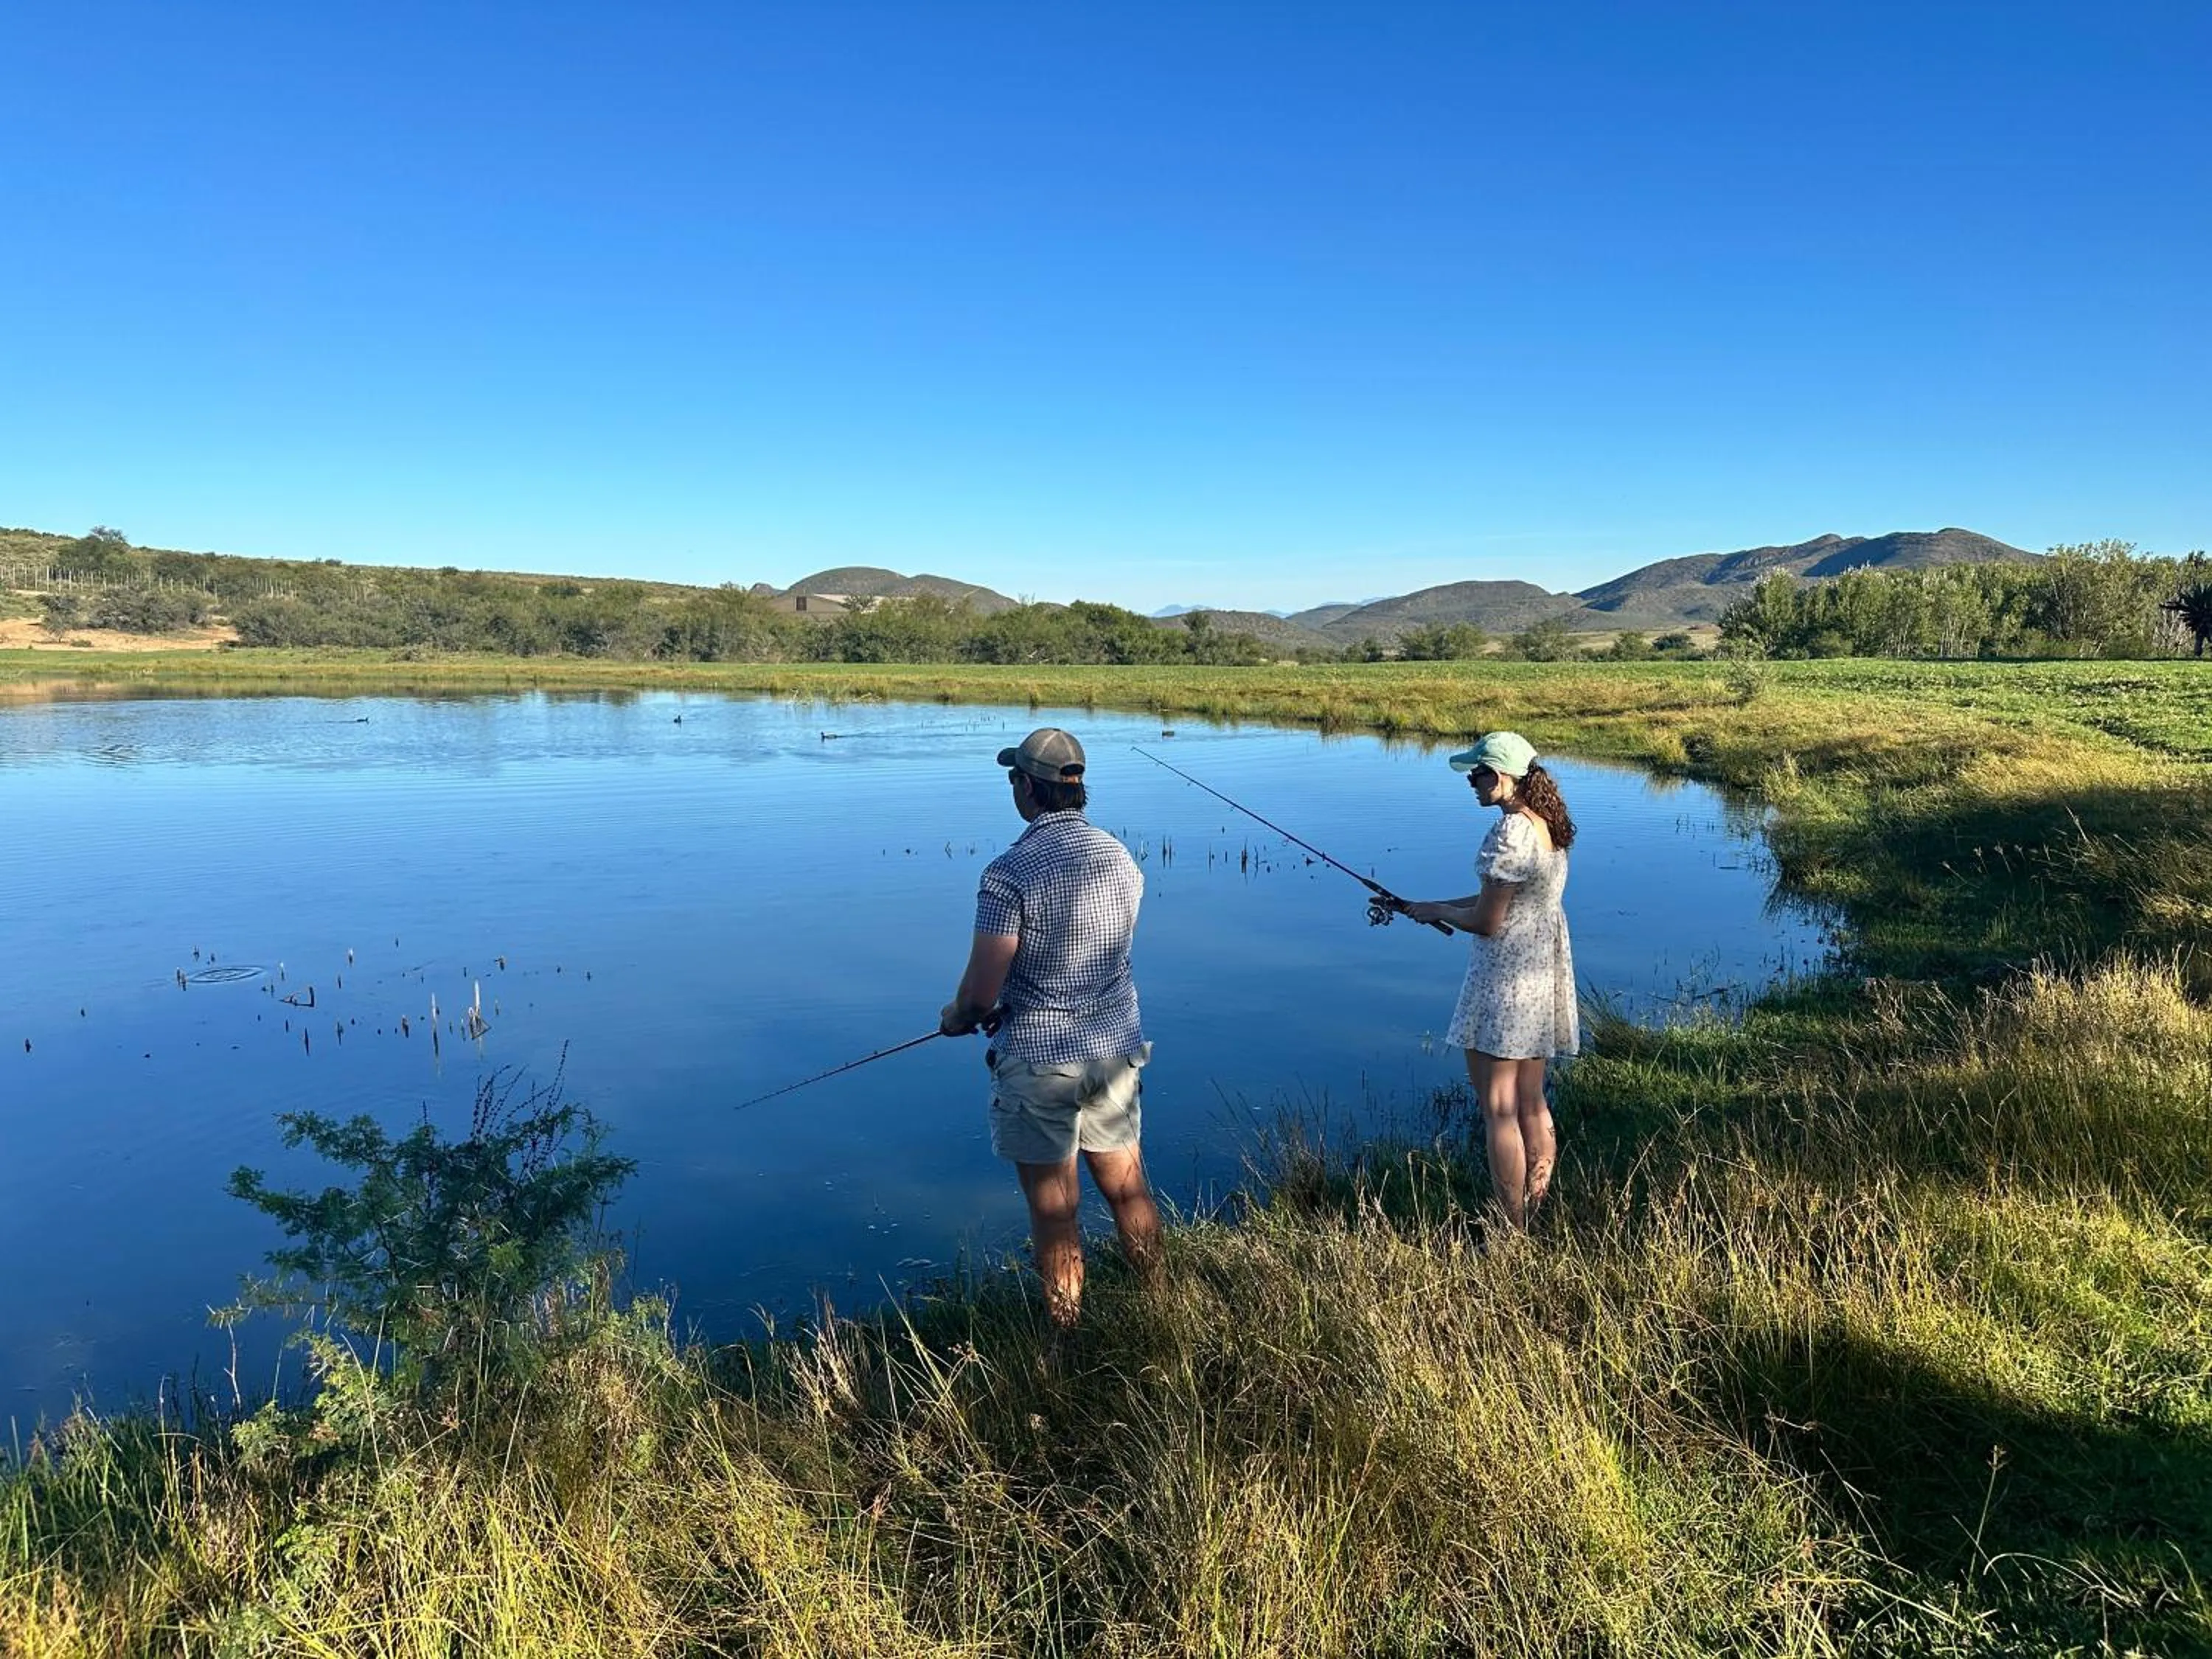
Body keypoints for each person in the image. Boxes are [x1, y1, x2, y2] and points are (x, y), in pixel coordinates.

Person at [939, 726, 1162, 1328]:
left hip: (1041, 1063)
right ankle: (1162, 1305)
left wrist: (957, 1019)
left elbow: (980, 993)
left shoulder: (1007, 874)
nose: (1013, 787)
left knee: (1056, 1213)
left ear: (1028, 789)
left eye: (1014, 777)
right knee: (1127, 1191)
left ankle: (1065, 1342)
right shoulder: (1119, 857)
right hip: (1115, 1051)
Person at [1399, 731, 1578, 1228]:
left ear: (1502, 776)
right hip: (1540, 975)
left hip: (1506, 981)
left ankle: (1510, 1227)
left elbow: (1488, 922)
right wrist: (1434, 906)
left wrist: (1442, 912)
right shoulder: (1546, 826)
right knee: (1530, 1101)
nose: (1471, 784)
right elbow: (1501, 901)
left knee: (1499, 1109)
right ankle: (1536, 1206)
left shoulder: (1510, 833)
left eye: (1477, 775)